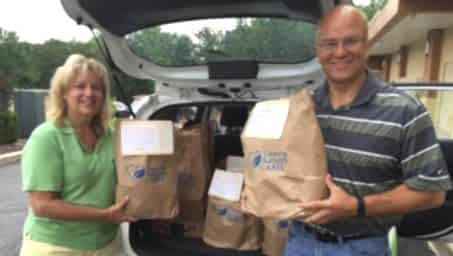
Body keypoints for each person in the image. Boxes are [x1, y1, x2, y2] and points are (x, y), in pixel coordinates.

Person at [284, 5, 452, 256]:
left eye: (350, 41)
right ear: (318, 50)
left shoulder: (405, 110)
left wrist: (356, 206)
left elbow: (433, 194)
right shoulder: (302, 108)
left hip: (363, 247)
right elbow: (278, 166)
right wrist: (254, 190)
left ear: (367, 44)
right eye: (329, 43)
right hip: (300, 241)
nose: (339, 52)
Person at [20, 54, 135, 256]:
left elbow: (133, 176)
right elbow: (42, 204)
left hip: (107, 245)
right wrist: (105, 215)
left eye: (96, 87)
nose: (89, 93)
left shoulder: (112, 136)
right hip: (56, 247)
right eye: (80, 86)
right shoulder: (47, 137)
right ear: (64, 93)